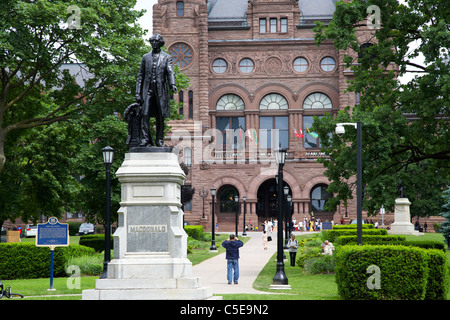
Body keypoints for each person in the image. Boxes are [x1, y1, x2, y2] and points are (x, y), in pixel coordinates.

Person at [135, 33, 177, 147]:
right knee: (145, 113)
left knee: (160, 115)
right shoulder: (145, 57)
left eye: (156, 41)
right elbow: (140, 76)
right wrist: (138, 92)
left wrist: (172, 84)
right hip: (147, 90)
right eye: (152, 41)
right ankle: (145, 139)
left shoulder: (166, 57)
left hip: (160, 90)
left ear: (160, 43)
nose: (154, 43)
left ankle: (159, 140)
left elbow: (170, 71)